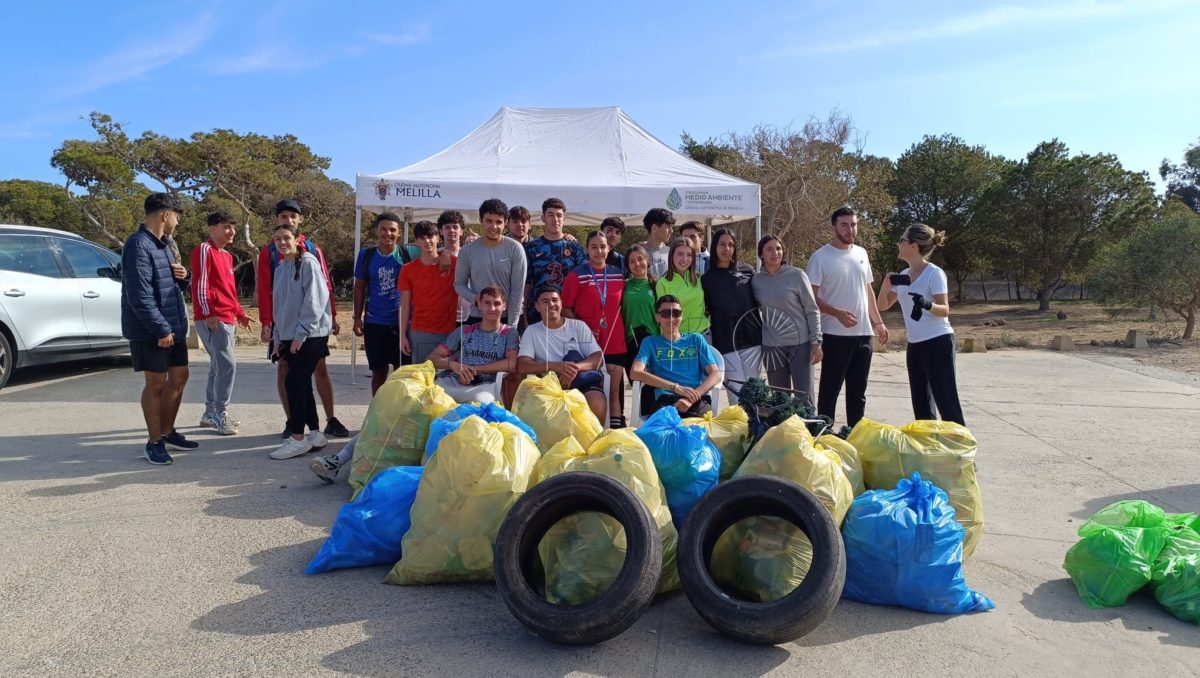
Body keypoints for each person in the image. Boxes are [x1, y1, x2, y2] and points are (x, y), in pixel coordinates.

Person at [257, 199, 350, 438]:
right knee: (286, 373)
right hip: (285, 326)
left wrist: (334, 315)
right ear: (276, 221)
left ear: (299, 222)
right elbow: (268, 290)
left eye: (292, 216)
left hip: (310, 327)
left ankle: (329, 419)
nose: (287, 219)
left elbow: (323, 288)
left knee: (318, 370)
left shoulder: (312, 251)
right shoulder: (270, 254)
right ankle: (293, 422)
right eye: (282, 216)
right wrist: (268, 322)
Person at [121, 192, 197, 465]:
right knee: (155, 383)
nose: (177, 222)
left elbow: (170, 286)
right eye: (176, 216)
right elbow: (139, 295)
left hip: (172, 325)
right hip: (150, 329)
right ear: (165, 215)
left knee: (179, 377)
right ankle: (154, 442)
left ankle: (167, 431)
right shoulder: (137, 245)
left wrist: (184, 277)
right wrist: (160, 329)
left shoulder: (165, 245)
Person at [808, 206, 889, 427]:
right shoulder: (820, 257)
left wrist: (878, 321)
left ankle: (855, 437)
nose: (849, 229)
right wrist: (836, 313)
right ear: (834, 226)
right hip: (834, 336)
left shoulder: (862, 253)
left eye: (853, 224)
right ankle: (824, 436)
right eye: (844, 224)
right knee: (829, 392)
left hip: (863, 335)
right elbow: (811, 299)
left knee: (858, 392)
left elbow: (868, 290)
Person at [877, 224, 965, 426]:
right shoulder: (904, 275)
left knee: (947, 404)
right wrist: (885, 286)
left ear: (914, 245)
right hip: (915, 345)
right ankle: (930, 454)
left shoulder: (934, 273)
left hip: (938, 342)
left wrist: (926, 304)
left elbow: (944, 310)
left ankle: (964, 457)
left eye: (902, 240)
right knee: (922, 407)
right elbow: (883, 305)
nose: (898, 243)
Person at [268, 222, 334, 460]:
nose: (282, 242)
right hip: (288, 335)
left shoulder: (308, 262)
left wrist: (300, 334)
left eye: (286, 237)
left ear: (297, 239)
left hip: (311, 334)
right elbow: (279, 307)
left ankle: (297, 437)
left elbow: (315, 300)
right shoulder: (280, 268)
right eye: (277, 239)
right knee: (302, 383)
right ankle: (315, 433)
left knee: (294, 383)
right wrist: (278, 338)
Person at [190, 212, 252, 435]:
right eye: (226, 227)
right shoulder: (204, 250)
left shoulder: (226, 256)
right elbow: (200, 284)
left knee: (218, 365)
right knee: (227, 365)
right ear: (212, 228)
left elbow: (229, 290)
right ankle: (219, 413)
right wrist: (208, 313)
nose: (232, 232)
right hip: (213, 318)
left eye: (233, 228)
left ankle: (210, 413)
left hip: (228, 317)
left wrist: (240, 313)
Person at [562, 231, 627, 427]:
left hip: (615, 341)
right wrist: (583, 330)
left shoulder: (618, 274)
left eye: (603, 246)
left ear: (609, 248)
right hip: (587, 343)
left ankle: (615, 430)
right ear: (587, 249)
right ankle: (591, 428)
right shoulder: (576, 275)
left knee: (614, 390)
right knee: (591, 388)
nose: (599, 251)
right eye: (594, 247)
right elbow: (565, 308)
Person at [517, 285, 607, 422]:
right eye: (545, 301)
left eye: (555, 300)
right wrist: (555, 366)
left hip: (580, 379)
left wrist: (574, 369)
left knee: (597, 404)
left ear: (561, 303)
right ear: (537, 306)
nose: (551, 304)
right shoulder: (532, 331)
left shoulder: (578, 326)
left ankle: (594, 441)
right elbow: (523, 365)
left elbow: (597, 357)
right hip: (548, 384)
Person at [752, 234, 822, 403]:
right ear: (761, 254)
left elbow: (812, 310)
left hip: (801, 345)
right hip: (772, 347)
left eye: (778, 248)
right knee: (779, 398)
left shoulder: (797, 276)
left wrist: (816, 342)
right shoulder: (755, 281)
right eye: (769, 249)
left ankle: (809, 428)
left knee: (804, 397)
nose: (775, 253)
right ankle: (782, 429)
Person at [630, 295, 722, 418]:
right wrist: (675, 387)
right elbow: (635, 372)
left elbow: (716, 374)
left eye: (676, 313)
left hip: (696, 399)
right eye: (666, 313)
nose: (671, 318)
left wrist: (692, 397)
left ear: (682, 316)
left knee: (698, 431)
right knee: (665, 432)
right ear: (657, 318)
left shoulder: (696, 339)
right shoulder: (650, 342)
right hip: (665, 400)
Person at [701, 228, 763, 406]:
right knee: (736, 394)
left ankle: (756, 430)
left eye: (730, 245)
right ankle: (738, 431)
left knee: (754, 391)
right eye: (722, 244)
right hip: (726, 343)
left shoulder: (747, 271)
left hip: (752, 340)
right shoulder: (706, 279)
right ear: (714, 248)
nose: (726, 249)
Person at [352, 212, 405, 395]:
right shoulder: (366, 255)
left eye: (392, 230)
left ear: (399, 233)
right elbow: (359, 287)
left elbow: (432, 248)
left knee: (401, 374)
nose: (387, 233)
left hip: (400, 324)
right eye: (383, 229)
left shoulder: (407, 254)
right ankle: (378, 414)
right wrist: (357, 318)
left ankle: (398, 415)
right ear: (377, 231)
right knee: (378, 373)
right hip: (374, 322)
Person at [454, 198, 527, 326]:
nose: (494, 226)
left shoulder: (515, 248)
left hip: (506, 319)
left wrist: (511, 327)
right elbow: (459, 284)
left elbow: (517, 291)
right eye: (489, 221)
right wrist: (476, 299)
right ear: (481, 221)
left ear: (506, 223)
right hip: (477, 318)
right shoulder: (467, 250)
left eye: (499, 222)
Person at [399, 220, 458, 363]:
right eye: (422, 238)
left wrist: (445, 253)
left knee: (447, 379)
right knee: (422, 377)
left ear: (438, 238)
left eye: (431, 236)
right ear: (416, 241)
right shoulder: (408, 269)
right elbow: (404, 305)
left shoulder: (454, 263)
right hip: (421, 332)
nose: (427, 241)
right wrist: (402, 336)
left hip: (450, 331)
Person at [524, 197, 586, 324]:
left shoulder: (575, 248)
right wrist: (524, 315)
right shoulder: (531, 248)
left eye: (559, 215)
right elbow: (527, 284)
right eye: (550, 215)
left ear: (564, 218)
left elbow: (583, 282)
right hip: (538, 315)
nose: (555, 219)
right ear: (543, 218)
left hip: (568, 314)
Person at [656, 238, 709, 336]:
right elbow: (664, 317)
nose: (685, 259)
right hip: (679, 339)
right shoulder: (662, 283)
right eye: (680, 254)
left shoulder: (699, 278)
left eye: (689, 255)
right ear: (671, 255)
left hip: (704, 334)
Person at [437, 210, 473, 325]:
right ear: (440, 231)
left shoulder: (471, 254)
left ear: (461, 231)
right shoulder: (434, 256)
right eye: (447, 227)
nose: (451, 230)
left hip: (466, 316)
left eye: (455, 227)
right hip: (440, 316)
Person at [641, 207, 675, 279]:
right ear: (654, 228)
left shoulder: (671, 252)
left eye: (672, 227)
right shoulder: (638, 253)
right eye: (668, 226)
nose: (671, 231)